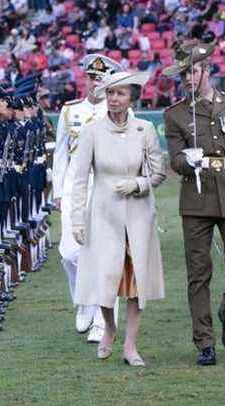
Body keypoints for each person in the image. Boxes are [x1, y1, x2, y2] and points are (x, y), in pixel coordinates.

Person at [162, 41, 225, 366]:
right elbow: (175, 158)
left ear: (206, 70)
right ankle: (205, 342)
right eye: (183, 76)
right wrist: (184, 161)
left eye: (192, 72)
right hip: (197, 196)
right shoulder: (175, 113)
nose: (188, 80)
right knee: (198, 273)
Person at [71, 70, 166, 366]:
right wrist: (76, 219)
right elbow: (80, 179)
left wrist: (138, 184)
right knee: (106, 278)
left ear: (131, 98)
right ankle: (109, 328)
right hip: (103, 215)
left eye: (120, 93)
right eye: (110, 93)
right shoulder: (92, 131)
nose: (113, 99)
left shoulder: (145, 129)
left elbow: (158, 172)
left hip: (138, 216)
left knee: (137, 281)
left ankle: (130, 345)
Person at [52, 54, 123, 343]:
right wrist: (57, 191)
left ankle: (101, 321)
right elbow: (59, 153)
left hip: (105, 187)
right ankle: (83, 300)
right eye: (91, 77)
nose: (95, 83)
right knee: (69, 253)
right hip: (74, 188)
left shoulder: (118, 111)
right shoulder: (70, 111)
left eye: (101, 78)